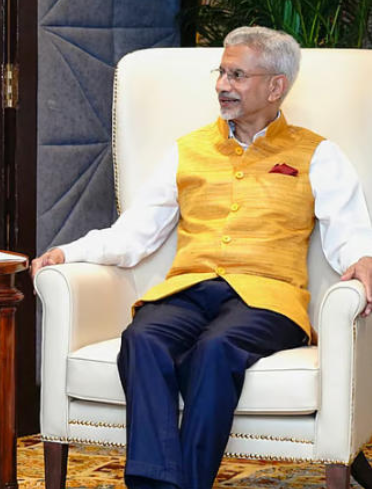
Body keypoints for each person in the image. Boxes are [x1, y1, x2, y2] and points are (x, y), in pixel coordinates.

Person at [32, 26, 372, 489]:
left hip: (268, 300)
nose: (222, 85)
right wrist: (68, 252)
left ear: (276, 86)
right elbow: (135, 232)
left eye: (237, 75)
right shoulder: (187, 150)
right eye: (221, 73)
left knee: (216, 349)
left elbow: (348, 229)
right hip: (187, 291)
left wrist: (363, 259)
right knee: (143, 339)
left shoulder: (317, 154)